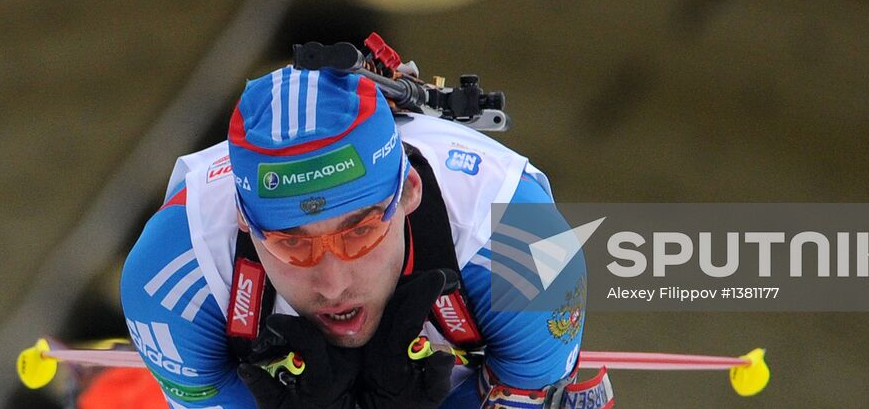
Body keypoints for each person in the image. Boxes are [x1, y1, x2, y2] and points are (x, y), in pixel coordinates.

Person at [120, 61, 613, 409]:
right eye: (291, 243)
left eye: (358, 232)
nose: (333, 284)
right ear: (243, 221)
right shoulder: (170, 275)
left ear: (409, 192)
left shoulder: (521, 243)